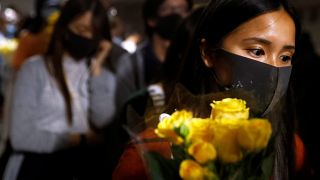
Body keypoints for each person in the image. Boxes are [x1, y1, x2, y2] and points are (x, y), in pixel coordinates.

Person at [113, 0, 308, 179]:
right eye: (257, 51)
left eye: (285, 57)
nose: (274, 70)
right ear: (208, 53)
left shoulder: (289, 148)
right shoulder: (155, 152)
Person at [3, 0, 115, 179]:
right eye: (80, 29)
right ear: (65, 27)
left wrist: (98, 67)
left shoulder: (100, 75)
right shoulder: (35, 69)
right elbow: (21, 137)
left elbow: (102, 120)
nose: (86, 37)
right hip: (35, 167)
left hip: (77, 168)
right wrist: (80, 139)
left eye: (93, 33)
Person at [115, 0, 192, 111]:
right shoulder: (132, 64)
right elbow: (126, 112)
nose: (176, 14)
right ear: (151, 19)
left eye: (181, 9)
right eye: (167, 9)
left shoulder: (193, 58)